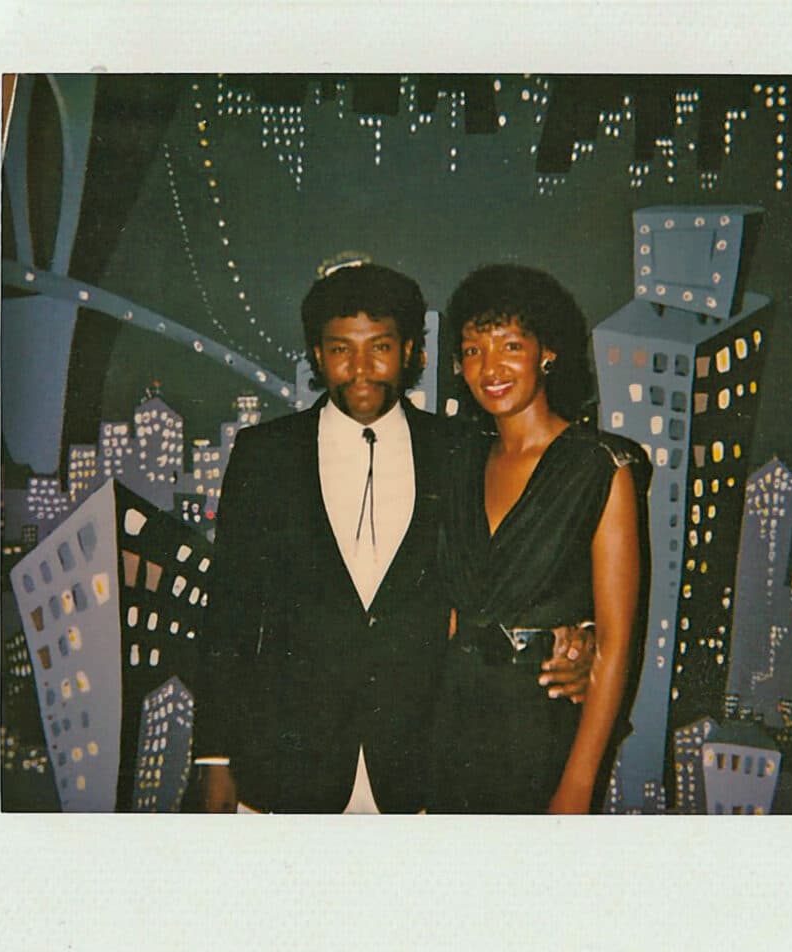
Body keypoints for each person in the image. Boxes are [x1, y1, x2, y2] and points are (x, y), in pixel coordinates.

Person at [193, 263, 594, 814]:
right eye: (340, 349)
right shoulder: (265, 454)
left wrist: (580, 637)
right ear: (317, 355)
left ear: (411, 353)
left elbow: (521, 568)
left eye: (380, 347)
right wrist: (213, 761)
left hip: (423, 768)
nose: (361, 369)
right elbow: (228, 613)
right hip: (285, 769)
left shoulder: (462, 450)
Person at [429, 264, 649, 814]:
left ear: (546, 352)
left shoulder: (600, 467)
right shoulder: (458, 462)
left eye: (509, 345)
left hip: (541, 722)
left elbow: (618, 641)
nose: (491, 367)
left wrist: (577, 785)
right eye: (474, 350)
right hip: (449, 716)